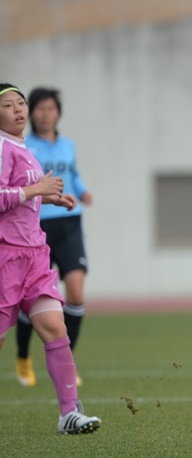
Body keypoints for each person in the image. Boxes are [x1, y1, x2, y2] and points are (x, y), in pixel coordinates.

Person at [0, 83, 101, 434]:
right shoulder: (2, 147)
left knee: (55, 328)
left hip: (34, 255)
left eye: (20, 103)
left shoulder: (22, 147)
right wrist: (36, 190)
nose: (18, 109)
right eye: (8, 105)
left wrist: (49, 197)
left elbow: (21, 194)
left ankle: (69, 413)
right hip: (6, 258)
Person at [14, 87, 91, 388]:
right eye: (40, 109)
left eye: (51, 109)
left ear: (58, 113)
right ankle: (23, 356)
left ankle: (67, 363)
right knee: (31, 299)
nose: (46, 114)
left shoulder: (68, 145)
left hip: (70, 223)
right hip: (38, 225)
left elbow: (74, 174)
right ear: (32, 113)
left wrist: (82, 190)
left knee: (76, 293)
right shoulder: (24, 147)